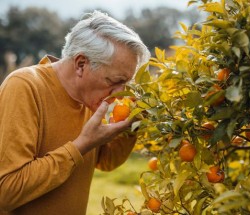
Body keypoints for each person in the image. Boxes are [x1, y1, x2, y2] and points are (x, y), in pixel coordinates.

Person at [0, 11, 150, 215]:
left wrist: (130, 126)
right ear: (81, 64)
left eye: (126, 83)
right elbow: (6, 191)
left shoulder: (90, 100)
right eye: (115, 81)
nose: (121, 93)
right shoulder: (25, 87)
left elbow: (107, 161)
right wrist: (80, 146)